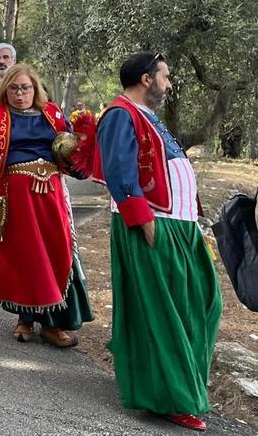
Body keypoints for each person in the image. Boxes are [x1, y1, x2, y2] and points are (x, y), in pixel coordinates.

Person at [92, 52, 221, 432]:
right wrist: (141, 219)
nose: (170, 83)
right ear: (146, 79)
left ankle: (167, 380)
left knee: (203, 304)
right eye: (165, 76)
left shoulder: (148, 115)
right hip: (154, 225)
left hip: (179, 226)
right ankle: (171, 397)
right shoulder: (120, 114)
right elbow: (118, 168)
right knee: (167, 313)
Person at [0, 64, 95, 349]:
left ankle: (54, 323)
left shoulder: (53, 114)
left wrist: (82, 149)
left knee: (55, 252)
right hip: (14, 196)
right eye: (14, 88)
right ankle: (24, 318)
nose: (20, 93)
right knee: (25, 255)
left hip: (51, 195)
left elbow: (72, 153)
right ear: (4, 89)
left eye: (25, 88)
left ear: (35, 88)